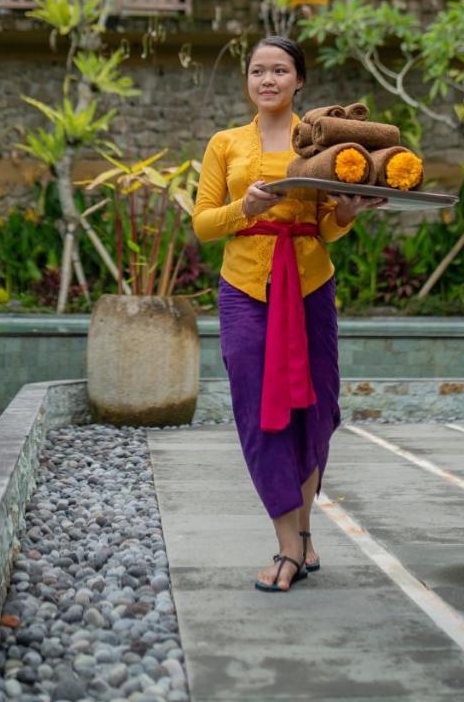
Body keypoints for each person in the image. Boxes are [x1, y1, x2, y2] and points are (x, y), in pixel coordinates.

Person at [192, 35, 386, 593]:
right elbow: (203, 223)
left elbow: (326, 227)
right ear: (248, 81)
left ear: (300, 80)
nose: (268, 80)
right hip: (245, 288)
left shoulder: (324, 142)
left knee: (316, 408)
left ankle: (302, 535)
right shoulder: (224, 144)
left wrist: (345, 214)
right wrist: (242, 207)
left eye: (280, 70)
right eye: (258, 71)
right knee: (260, 408)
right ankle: (287, 545)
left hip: (310, 286)